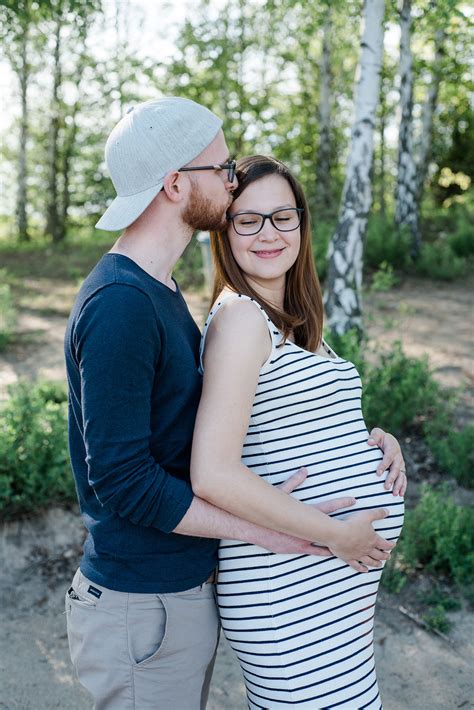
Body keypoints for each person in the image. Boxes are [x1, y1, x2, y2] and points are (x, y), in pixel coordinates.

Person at [64, 98, 406, 710]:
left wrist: (363, 442)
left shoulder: (161, 291)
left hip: (178, 594)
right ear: (175, 184)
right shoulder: (120, 305)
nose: (230, 181)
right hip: (145, 600)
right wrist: (285, 533)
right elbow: (121, 481)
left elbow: (247, 425)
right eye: (221, 171)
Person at [191, 155, 405, 709]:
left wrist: (373, 439)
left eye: (283, 217)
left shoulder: (289, 321)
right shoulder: (241, 317)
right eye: (248, 220)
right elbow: (213, 471)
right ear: (226, 232)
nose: (268, 233)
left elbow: (295, 424)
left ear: (302, 225)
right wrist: (335, 533)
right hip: (287, 583)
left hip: (329, 584)